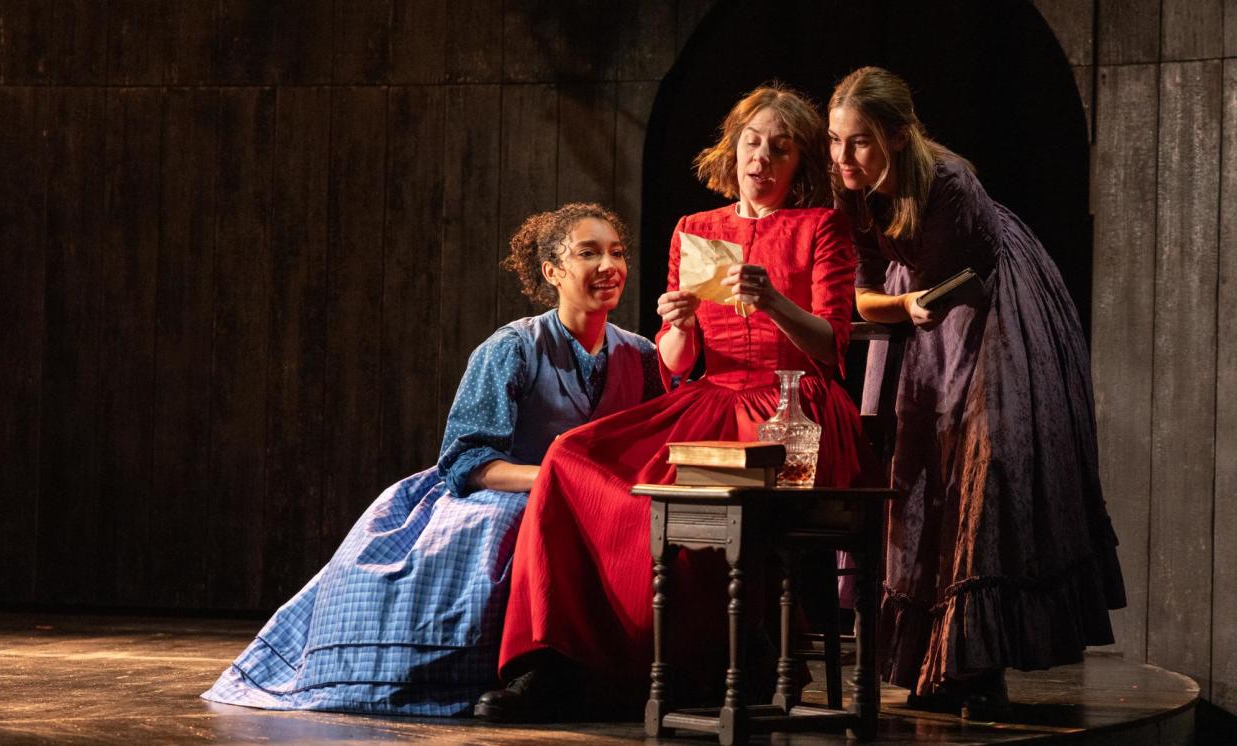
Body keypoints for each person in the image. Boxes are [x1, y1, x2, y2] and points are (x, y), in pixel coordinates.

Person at [476, 83, 870, 722]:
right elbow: (675, 364)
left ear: (800, 164)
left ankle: (706, 665)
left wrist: (772, 300)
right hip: (711, 397)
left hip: (796, 406)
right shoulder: (696, 229)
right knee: (573, 456)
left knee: (717, 495)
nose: (761, 157)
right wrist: (679, 323)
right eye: (751, 141)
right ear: (732, 148)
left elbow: (830, 346)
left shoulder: (820, 226)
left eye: (780, 147)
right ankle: (550, 660)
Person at [201, 203, 663, 716]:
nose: (608, 265)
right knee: (533, 521)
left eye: (616, 253)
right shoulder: (512, 347)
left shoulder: (640, 355)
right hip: (505, 489)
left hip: (594, 495)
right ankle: (527, 670)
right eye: (588, 253)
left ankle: (615, 671)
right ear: (553, 271)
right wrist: (557, 479)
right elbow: (467, 459)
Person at [827, 66, 1126, 717]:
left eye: (859, 141)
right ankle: (922, 661)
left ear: (900, 136)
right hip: (916, 306)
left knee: (975, 468)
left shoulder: (949, 182)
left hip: (983, 301)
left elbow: (948, 282)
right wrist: (889, 305)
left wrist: (894, 305)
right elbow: (867, 280)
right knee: (907, 466)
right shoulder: (850, 186)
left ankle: (972, 662)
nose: (843, 156)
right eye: (835, 140)